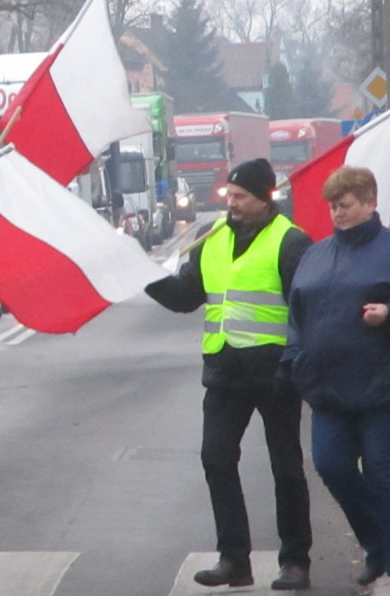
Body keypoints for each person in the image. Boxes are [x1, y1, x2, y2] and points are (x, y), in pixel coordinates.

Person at [145, 158, 312, 591]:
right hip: (223, 370)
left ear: (265, 198)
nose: (231, 204)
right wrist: (146, 277)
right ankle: (234, 559)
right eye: (229, 196)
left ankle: (295, 561)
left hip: (275, 374)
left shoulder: (291, 242)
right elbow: (186, 297)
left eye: (240, 197)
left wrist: (294, 364)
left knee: (286, 468)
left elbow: (306, 312)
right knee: (217, 461)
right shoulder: (213, 239)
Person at [283, 166, 390, 587]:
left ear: (370, 202)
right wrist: (293, 359)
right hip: (326, 391)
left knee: (383, 474)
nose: (337, 214)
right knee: (332, 467)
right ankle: (377, 545)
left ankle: (382, 552)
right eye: (332, 207)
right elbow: (297, 314)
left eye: (344, 206)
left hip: (380, 391)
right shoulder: (316, 254)